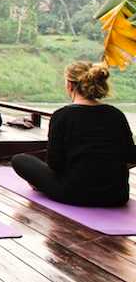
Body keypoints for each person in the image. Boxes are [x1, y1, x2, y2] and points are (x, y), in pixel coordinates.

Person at [12, 62, 136, 207]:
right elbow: (131, 156)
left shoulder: (62, 115)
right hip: (116, 195)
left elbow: (55, 164)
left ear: (70, 85)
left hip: (74, 194)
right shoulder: (116, 114)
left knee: (20, 160)